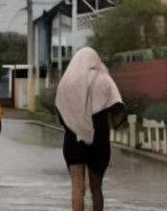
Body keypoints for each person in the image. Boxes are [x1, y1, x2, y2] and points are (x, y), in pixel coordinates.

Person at [55, 47, 125, 211]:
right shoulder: (104, 79)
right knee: (96, 188)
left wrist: (76, 123)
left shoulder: (66, 82)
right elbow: (117, 107)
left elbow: (60, 110)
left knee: (76, 188)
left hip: (74, 136)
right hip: (99, 138)